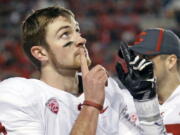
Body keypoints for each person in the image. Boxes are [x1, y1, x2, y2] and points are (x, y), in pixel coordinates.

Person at [0, 6, 166, 135]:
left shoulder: (108, 91)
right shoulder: (17, 94)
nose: (81, 39)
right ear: (40, 52)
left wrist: (146, 101)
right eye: (65, 34)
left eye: (77, 30)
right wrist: (92, 104)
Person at [129, 28, 180, 135]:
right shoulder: (129, 102)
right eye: (136, 58)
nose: (138, 64)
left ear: (171, 61)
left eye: (146, 57)